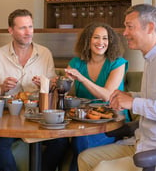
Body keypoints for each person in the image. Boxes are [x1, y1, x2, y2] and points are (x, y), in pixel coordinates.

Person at [78, 4, 156, 171]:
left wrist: (133, 103)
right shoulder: (153, 59)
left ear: (150, 27)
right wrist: (131, 96)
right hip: (145, 144)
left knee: (102, 168)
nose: (124, 33)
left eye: (129, 27)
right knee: (86, 158)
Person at [42, 22, 128, 171]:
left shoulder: (117, 63)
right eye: (96, 37)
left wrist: (82, 78)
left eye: (105, 38)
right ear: (87, 40)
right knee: (58, 140)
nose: (101, 42)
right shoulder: (76, 63)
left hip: (112, 124)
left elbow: (107, 95)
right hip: (81, 122)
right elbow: (63, 94)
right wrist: (52, 85)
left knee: (81, 141)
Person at [0, 9, 57, 171]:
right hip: (8, 117)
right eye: (23, 28)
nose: (28, 32)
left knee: (61, 142)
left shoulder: (45, 54)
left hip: (39, 116)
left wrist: (46, 86)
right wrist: (1, 88)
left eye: (30, 27)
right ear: (11, 30)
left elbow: (54, 87)